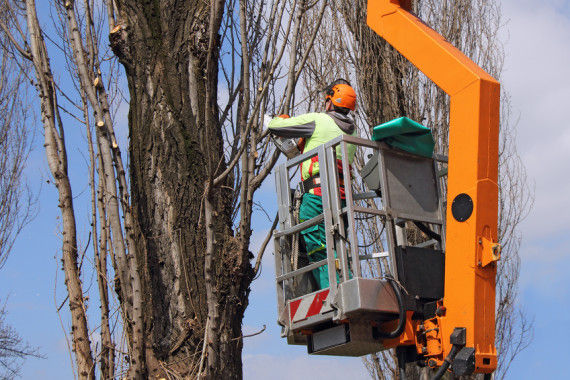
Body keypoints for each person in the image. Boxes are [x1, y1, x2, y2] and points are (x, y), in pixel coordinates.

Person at [268, 79, 357, 289]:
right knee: (339, 244)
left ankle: (333, 292)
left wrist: (281, 119)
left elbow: (275, 126)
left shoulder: (319, 120)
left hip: (317, 195)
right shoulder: (353, 132)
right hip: (342, 198)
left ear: (330, 102)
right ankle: (350, 284)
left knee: (318, 245)